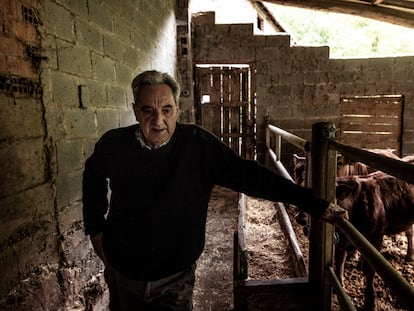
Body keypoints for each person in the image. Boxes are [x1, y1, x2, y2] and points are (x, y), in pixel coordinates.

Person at [82, 70, 344, 311]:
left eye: (166, 109)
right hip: (124, 272)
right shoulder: (114, 145)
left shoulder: (197, 146)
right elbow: (92, 175)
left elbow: (249, 176)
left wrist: (312, 203)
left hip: (176, 275)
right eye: (148, 110)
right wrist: (95, 227)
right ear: (135, 111)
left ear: (178, 110)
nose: (158, 120)